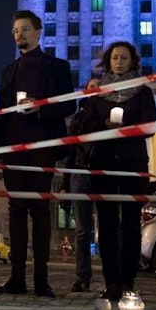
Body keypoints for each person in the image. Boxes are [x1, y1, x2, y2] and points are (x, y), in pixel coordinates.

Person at [0, 10, 75, 298]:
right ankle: (16, 277)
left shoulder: (58, 67)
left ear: (38, 33)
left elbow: (69, 107)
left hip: (42, 149)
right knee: (16, 211)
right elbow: (1, 115)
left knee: (40, 211)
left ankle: (41, 279)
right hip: (13, 150)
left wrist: (42, 107)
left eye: (25, 29)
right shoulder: (8, 71)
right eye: (15, 30)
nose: (20, 34)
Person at [80, 42, 156, 301]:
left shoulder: (144, 92)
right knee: (108, 223)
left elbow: (149, 126)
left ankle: (128, 279)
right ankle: (111, 281)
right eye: (115, 57)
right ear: (108, 61)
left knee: (132, 224)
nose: (119, 61)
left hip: (132, 162)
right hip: (103, 161)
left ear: (132, 61)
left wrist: (124, 127)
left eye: (124, 57)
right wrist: (105, 125)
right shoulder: (97, 93)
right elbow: (86, 125)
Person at [66, 78, 99, 292]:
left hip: (104, 173)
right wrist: (66, 180)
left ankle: (113, 277)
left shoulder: (110, 114)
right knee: (81, 230)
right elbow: (70, 150)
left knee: (110, 227)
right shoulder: (78, 118)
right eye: (91, 86)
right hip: (80, 173)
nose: (95, 90)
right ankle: (82, 276)